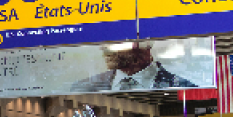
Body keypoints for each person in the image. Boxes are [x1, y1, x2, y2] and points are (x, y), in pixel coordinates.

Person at [69, 41, 198, 92]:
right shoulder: (81, 87)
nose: (104, 48)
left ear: (148, 44)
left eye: (118, 40)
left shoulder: (184, 87)